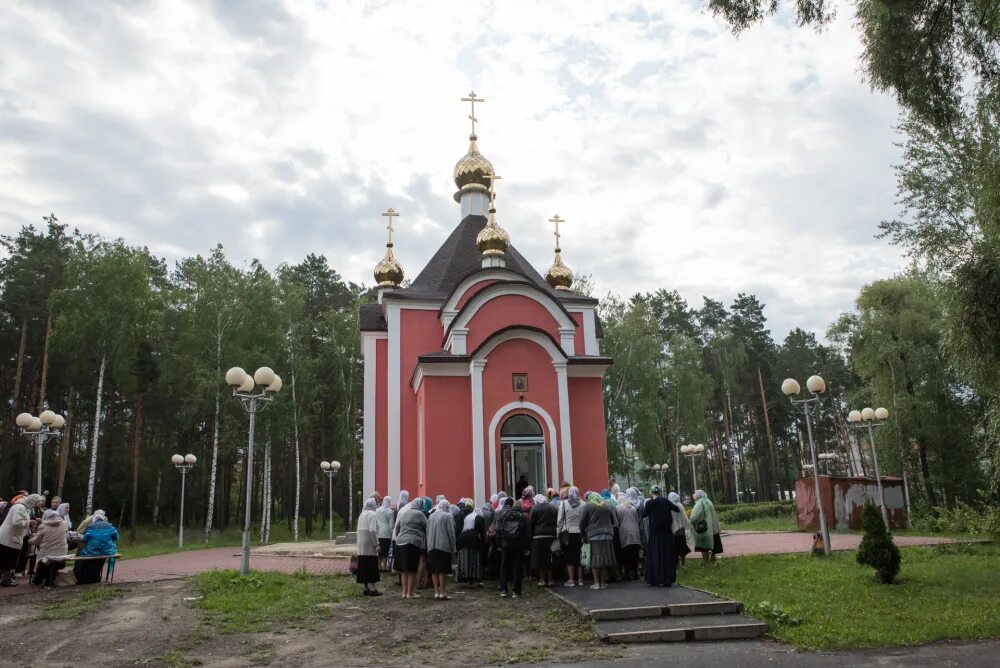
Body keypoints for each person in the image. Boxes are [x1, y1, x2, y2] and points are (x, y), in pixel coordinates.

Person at [0, 494, 43, 587]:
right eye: (36, 503)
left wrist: (32, 520)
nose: (36, 505)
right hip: (10, 538)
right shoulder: (20, 507)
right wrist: (29, 522)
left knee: (6, 560)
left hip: (10, 537)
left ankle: (5, 579)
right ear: (32, 501)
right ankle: (5, 580)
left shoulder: (21, 507)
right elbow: (16, 522)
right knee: (8, 560)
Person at [641, 485, 679, 586]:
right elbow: (676, 509)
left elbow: (643, 515)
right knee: (667, 555)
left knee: (656, 555)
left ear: (651, 492)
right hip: (667, 533)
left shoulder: (649, 503)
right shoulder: (666, 501)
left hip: (655, 534)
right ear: (660, 492)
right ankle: (668, 579)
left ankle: (656, 579)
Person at [580, 492, 618, 590]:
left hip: (594, 535)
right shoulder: (606, 505)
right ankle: (603, 583)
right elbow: (613, 521)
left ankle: (597, 583)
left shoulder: (587, 506)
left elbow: (582, 522)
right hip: (608, 535)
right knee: (604, 558)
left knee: (595, 559)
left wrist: (583, 535)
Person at [394, 499, 427, 599]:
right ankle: (410, 593)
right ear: (419, 505)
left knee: (404, 570)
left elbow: (397, 527)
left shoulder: (405, 513)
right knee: (412, 569)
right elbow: (427, 526)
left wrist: (399, 537)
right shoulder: (419, 514)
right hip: (412, 543)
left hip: (400, 542)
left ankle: (404, 592)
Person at [74, 511, 119, 584]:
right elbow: (116, 537)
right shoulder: (110, 526)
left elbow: (85, 539)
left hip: (92, 551)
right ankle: (96, 578)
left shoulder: (91, 527)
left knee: (82, 556)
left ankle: (85, 579)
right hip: (108, 551)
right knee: (99, 560)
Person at [426, 499, 457, 600]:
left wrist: (428, 545)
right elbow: (451, 533)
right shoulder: (447, 516)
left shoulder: (431, 516)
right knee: (442, 571)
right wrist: (453, 547)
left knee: (434, 570)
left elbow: (427, 531)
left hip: (431, 546)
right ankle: (443, 592)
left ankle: (436, 592)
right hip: (443, 546)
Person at [31, 509, 69, 588]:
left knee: (42, 559)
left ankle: (39, 580)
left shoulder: (43, 526)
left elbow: (36, 541)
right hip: (62, 552)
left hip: (47, 553)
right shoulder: (64, 523)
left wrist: (29, 540)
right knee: (48, 559)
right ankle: (44, 580)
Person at [498, 498, 527, 598]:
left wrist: (499, 544)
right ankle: (516, 591)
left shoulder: (504, 514)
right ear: (521, 507)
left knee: (504, 566)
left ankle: (503, 590)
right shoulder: (523, 516)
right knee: (517, 567)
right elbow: (526, 533)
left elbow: (499, 530)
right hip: (518, 545)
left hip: (505, 544)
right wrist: (526, 547)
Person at [556, 486, 585, 587]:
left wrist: (558, 532)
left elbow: (560, 520)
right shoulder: (583, 504)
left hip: (568, 534)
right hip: (580, 533)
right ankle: (581, 580)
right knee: (580, 556)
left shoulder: (563, 504)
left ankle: (571, 580)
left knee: (569, 558)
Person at [528, 493, 558, 586]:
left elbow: (530, 522)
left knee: (540, 559)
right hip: (551, 535)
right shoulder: (553, 507)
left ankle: (542, 580)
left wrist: (530, 535)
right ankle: (550, 580)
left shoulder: (535, 508)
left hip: (538, 536)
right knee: (550, 559)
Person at [356, 498, 382, 596]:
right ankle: (373, 589)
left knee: (363, 564)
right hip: (369, 542)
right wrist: (376, 544)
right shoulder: (373, 514)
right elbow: (372, 530)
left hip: (361, 542)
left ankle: (365, 588)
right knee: (371, 564)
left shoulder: (362, 514)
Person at [457, 503, 486, 585]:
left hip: (463, 539)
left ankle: (466, 577)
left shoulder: (467, 517)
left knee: (466, 559)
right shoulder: (479, 518)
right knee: (475, 559)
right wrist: (483, 543)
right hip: (474, 539)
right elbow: (482, 532)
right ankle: (475, 577)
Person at [615, 492, 642, 580]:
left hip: (625, 533)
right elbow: (637, 520)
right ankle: (636, 573)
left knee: (626, 555)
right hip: (635, 533)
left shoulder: (618, 508)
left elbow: (617, 522)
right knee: (635, 554)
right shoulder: (633, 508)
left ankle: (627, 574)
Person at [691, 490, 722, 563]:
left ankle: (705, 562)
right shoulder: (708, 501)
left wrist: (690, 522)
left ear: (698, 495)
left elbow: (694, 517)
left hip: (705, 528)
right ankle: (713, 560)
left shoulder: (699, 503)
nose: (694, 495)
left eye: (695, 493)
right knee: (714, 546)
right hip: (714, 528)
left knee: (704, 546)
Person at [668, 492, 692, 567]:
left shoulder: (669, 506)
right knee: (682, 547)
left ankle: (677, 565)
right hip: (681, 530)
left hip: (673, 531)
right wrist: (687, 525)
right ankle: (683, 564)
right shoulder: (680, 506)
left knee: (675, 548)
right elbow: (684, 517)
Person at [375, 496, 394, 573]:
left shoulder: (377, 510)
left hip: (379, 532)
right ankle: (384, 566)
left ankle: (379, 566)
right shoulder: (390, 511)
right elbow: (391, 524)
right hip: (387, 533)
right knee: (385, 550)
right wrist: (393, 533)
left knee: (379, 550)